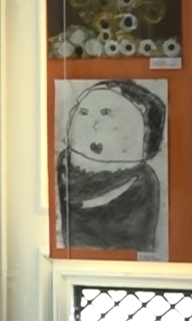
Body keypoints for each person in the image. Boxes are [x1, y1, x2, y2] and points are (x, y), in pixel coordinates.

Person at [56, 79, 164, 252]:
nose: (93, 123)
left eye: (106, 113)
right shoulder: (61, 169)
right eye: (83, 112)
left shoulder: (141, 183)